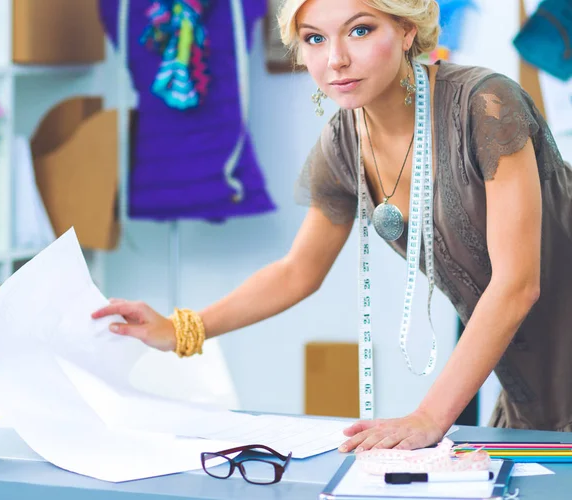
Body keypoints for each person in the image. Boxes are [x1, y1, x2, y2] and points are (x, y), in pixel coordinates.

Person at [92, 0, 572, 452]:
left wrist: (428, 417)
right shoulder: (344, 141)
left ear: (407, 30)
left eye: (360, 30)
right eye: (314, 38)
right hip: (531, 389)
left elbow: (517, 284)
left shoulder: (485, 104)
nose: (335, 59)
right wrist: (180, 330)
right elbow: (298, 270)